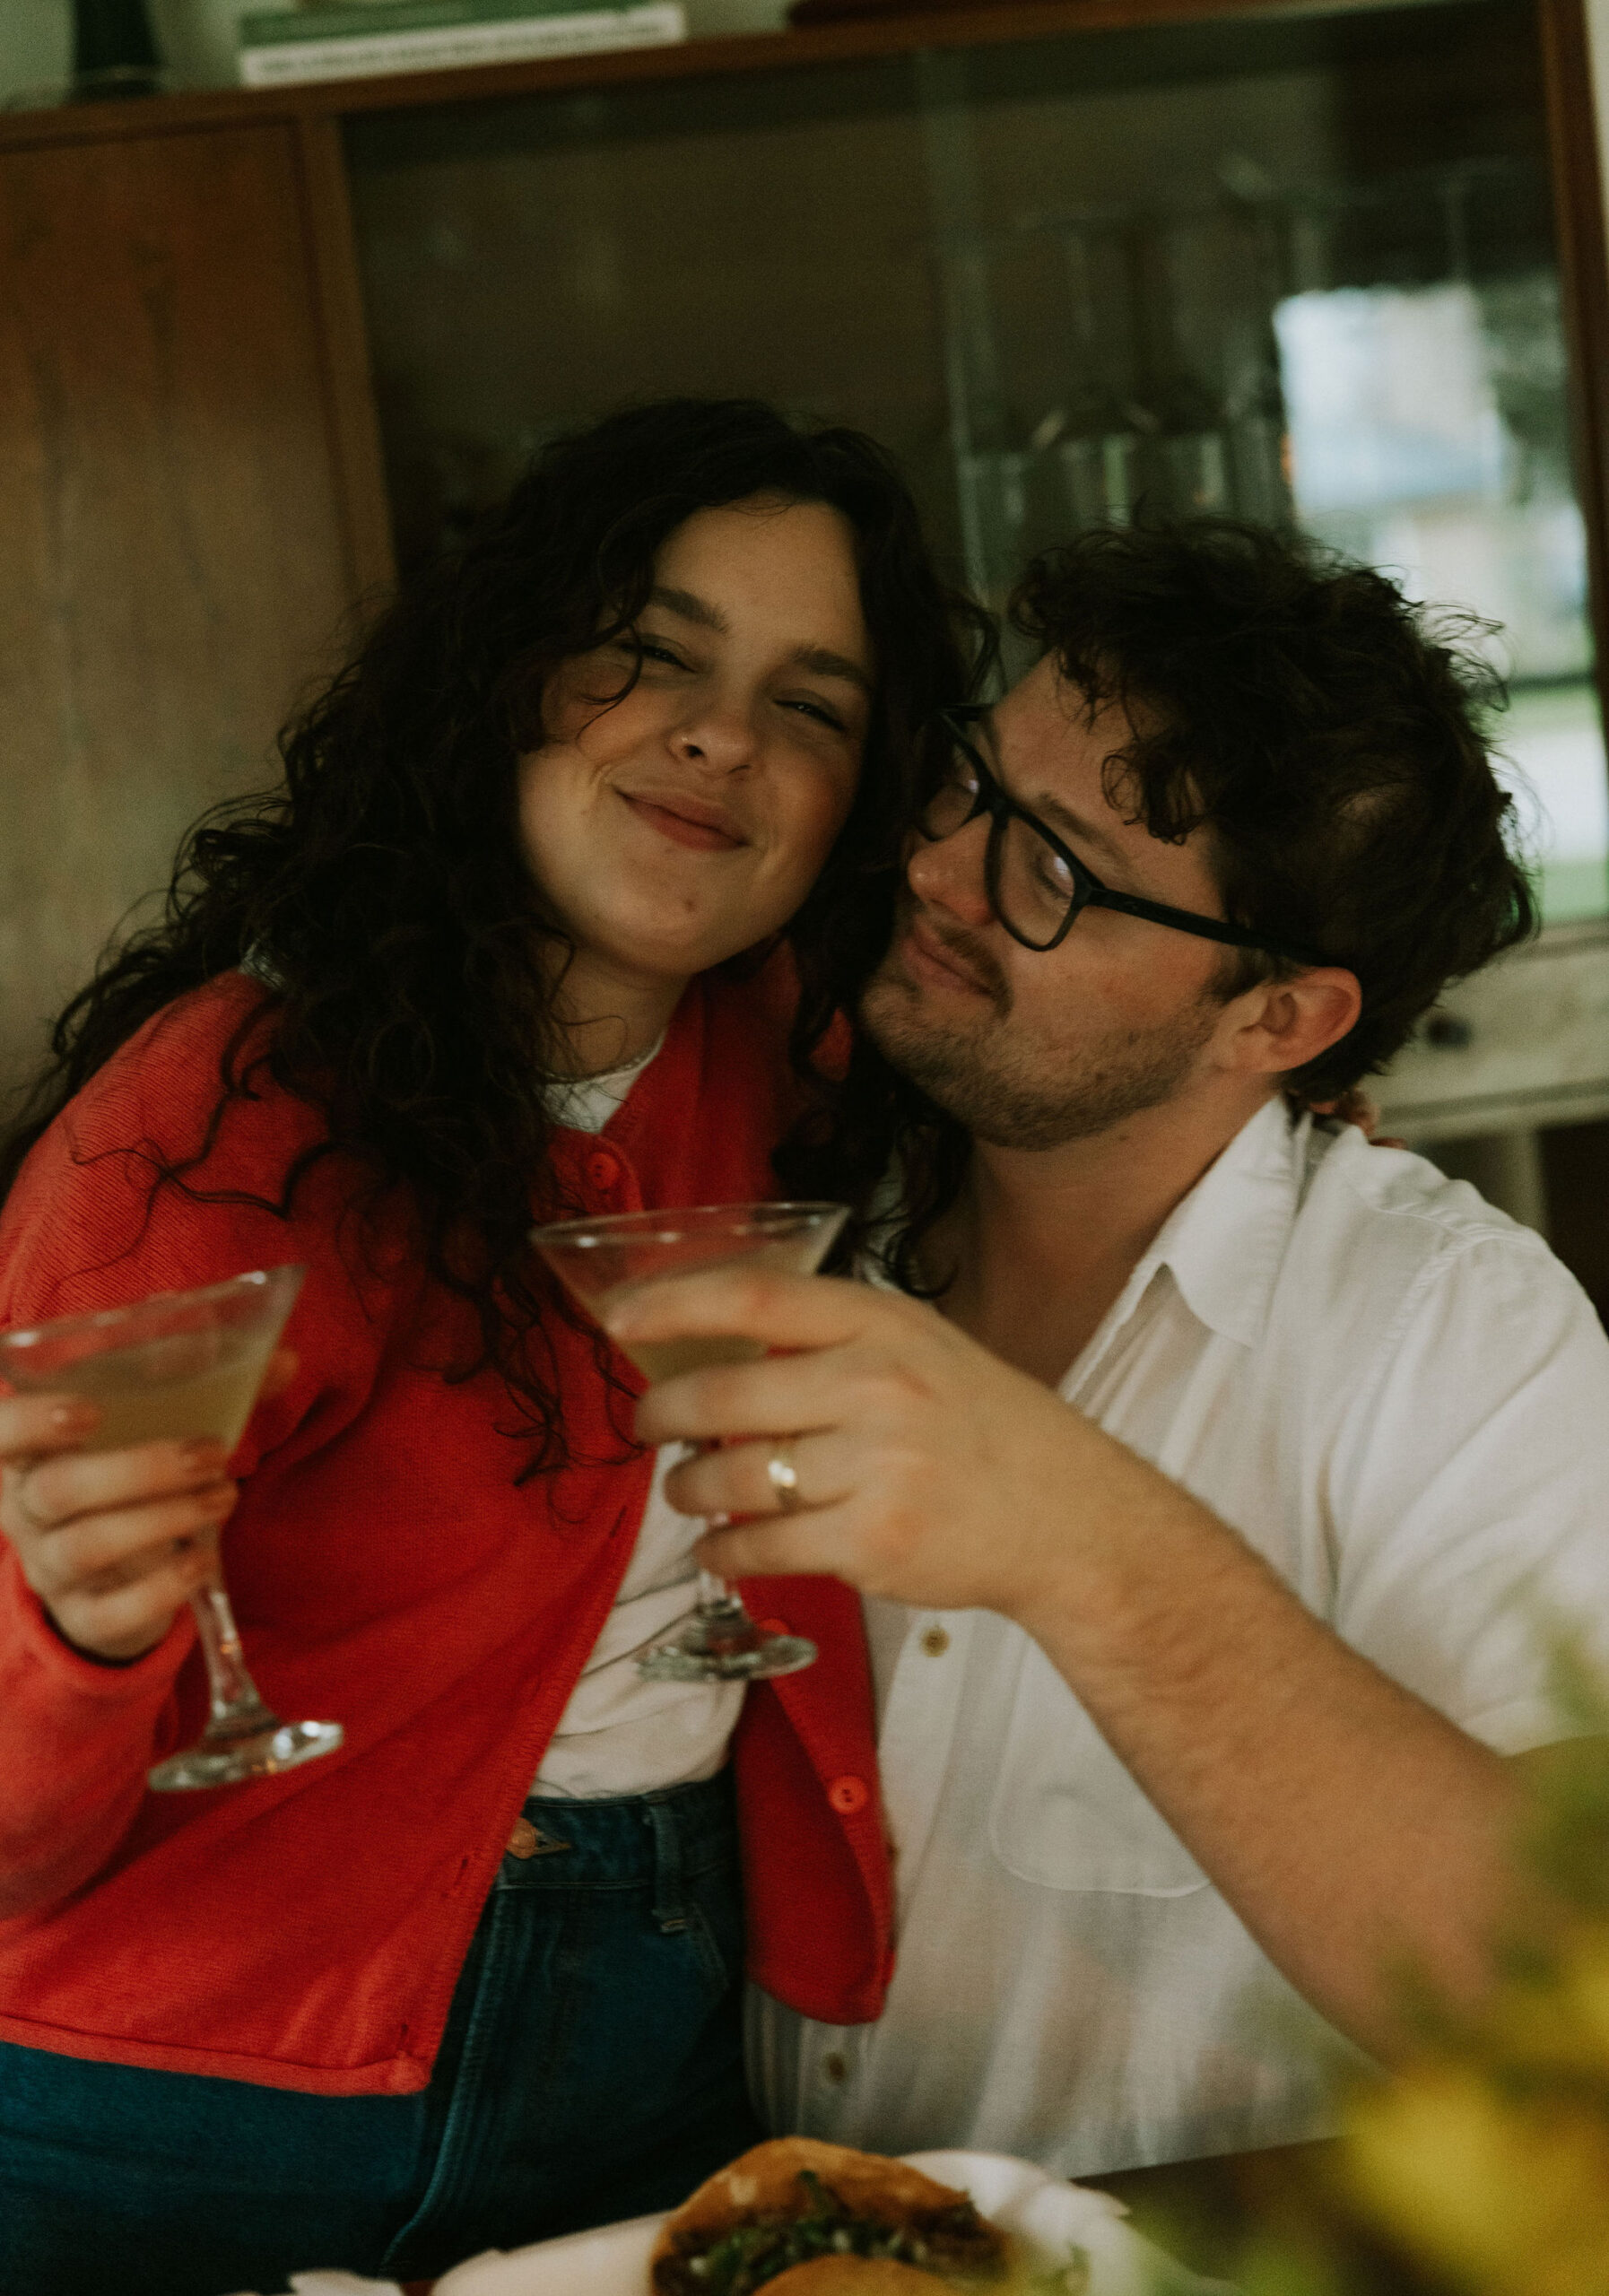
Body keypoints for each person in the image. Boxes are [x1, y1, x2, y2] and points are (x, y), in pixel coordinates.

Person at [0, 399, 983, 2294]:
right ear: (512, 675)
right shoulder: (206, 1129)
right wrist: (73, 1630)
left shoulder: (786, 1053)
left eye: (811, 705)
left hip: (647, 2066)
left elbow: (1059, 1067)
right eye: (657, 654)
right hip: (173, 2107)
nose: (723, 737)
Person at [609, 519, 1609, 2178]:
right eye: (969, 787)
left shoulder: (1452, 1334)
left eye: (1053, 874)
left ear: (1278, 1019)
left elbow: (1569, 1999)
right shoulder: (787, 1207)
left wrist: (1085, 1545)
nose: (940, 873)